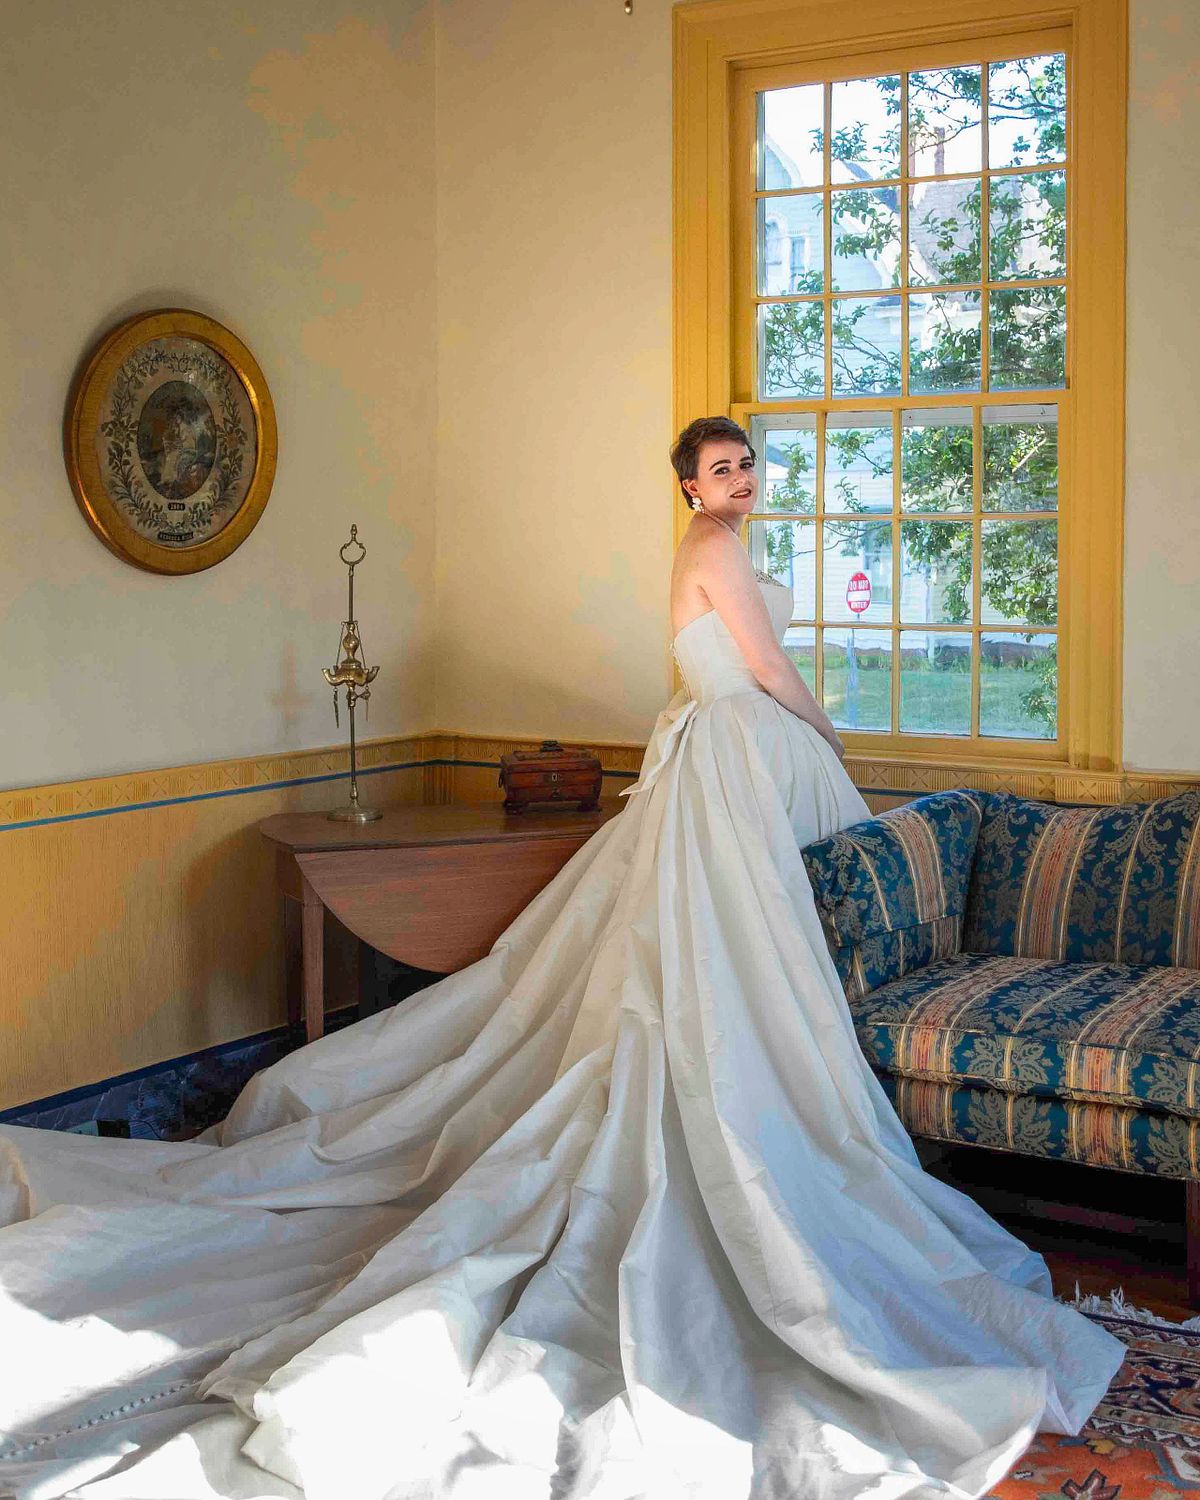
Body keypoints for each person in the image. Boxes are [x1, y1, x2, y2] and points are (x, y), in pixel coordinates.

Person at [0, 417, 1125, 1500]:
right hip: (738, 746)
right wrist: (829, 737)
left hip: (729, 750)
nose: (739, 480)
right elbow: (767, 664)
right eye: (720, 469)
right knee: (722, 958)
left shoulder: (723, 542)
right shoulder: (714, 547)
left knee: (747, 955)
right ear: (689, 486)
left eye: (745, 464)